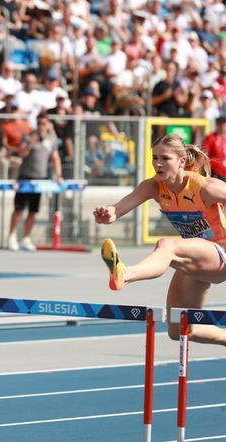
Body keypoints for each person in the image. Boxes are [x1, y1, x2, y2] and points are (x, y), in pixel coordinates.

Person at [94, 134, 226, 344]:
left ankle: (126, 274)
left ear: (182, 161)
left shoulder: (206, 187)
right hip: (195, 256)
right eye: (155, 158)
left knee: (167, 245)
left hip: (221, 254)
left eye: (165, 158)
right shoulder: (153, 186)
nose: (158, 163)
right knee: (180, 329)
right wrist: (109, 213)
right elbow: (120, 208)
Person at [7, 112, 62, 251]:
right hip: (25, 177)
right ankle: (12, 236)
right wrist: (30, 143)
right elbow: (21, 154)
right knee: (19, 209)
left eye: (44, 124)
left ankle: (26, 237)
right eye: (39, 123)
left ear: (48, 124)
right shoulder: (28, 136)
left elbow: (55, 158)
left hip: (40, 179)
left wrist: (59, 175)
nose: (41, 126)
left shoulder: (50, 140)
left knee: (33, 210)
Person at [202, 115, 226, 182]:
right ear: (217, 125)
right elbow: (204, 154)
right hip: (216, 173)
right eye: (220, 124)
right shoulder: (210, 138)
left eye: (224, 124)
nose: (222, 127)